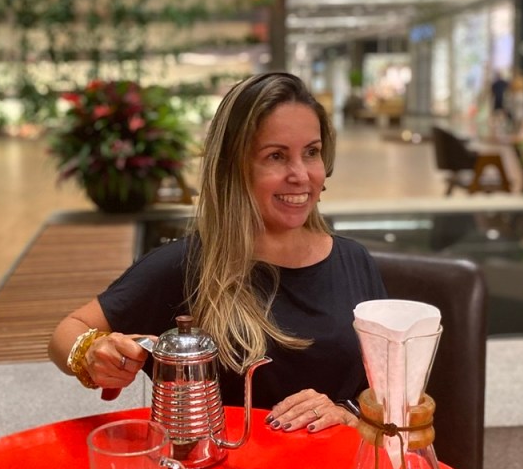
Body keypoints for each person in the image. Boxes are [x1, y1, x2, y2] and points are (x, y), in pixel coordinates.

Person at [48, 72, 388, 433]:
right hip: (222, 467)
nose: (301, 175)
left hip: (340, 466)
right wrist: (91, 352)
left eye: (312, 152)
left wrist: (349, 415)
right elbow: (64, 334)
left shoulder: (355, 262)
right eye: (276, 156)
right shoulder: (185, 266)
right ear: (233, 168)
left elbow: (391, 394)